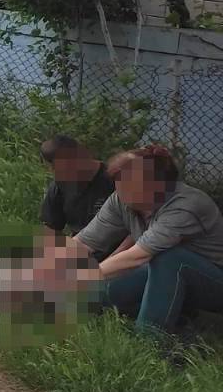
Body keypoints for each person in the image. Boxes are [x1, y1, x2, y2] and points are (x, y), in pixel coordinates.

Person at [49, 145, 223, 336]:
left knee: (170, 258)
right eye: (118, 181)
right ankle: (182, 321)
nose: (119, 190)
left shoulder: (186, 206)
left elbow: (137, 256)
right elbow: (84, 242)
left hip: (212, 283)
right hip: (160, 275)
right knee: (97, 298)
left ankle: (150, 343)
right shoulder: (121, 199)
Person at [39, 135, 120, 261]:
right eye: (55, 171)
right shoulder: (59, 186)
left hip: (115, 255)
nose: (60, 175)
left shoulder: (115, 181)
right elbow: (51, 229)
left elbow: (133, 232)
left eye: (65, 169)